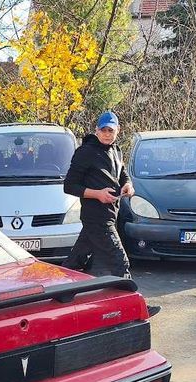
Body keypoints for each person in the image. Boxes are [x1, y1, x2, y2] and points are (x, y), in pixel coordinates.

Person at [62, 111, 133, 279]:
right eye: (104, 130)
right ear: (96, 130)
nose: (107, 134)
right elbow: (69, 186)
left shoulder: (116, 150)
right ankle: (137, 305)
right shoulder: (85, 152)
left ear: (118, 130)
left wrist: (128, 185)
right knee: (120, 262)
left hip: (110, 214)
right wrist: (97, 194)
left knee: (75, 262)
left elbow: (123, 174)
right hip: (96, 218)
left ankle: (58, 294)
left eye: (111, 131)